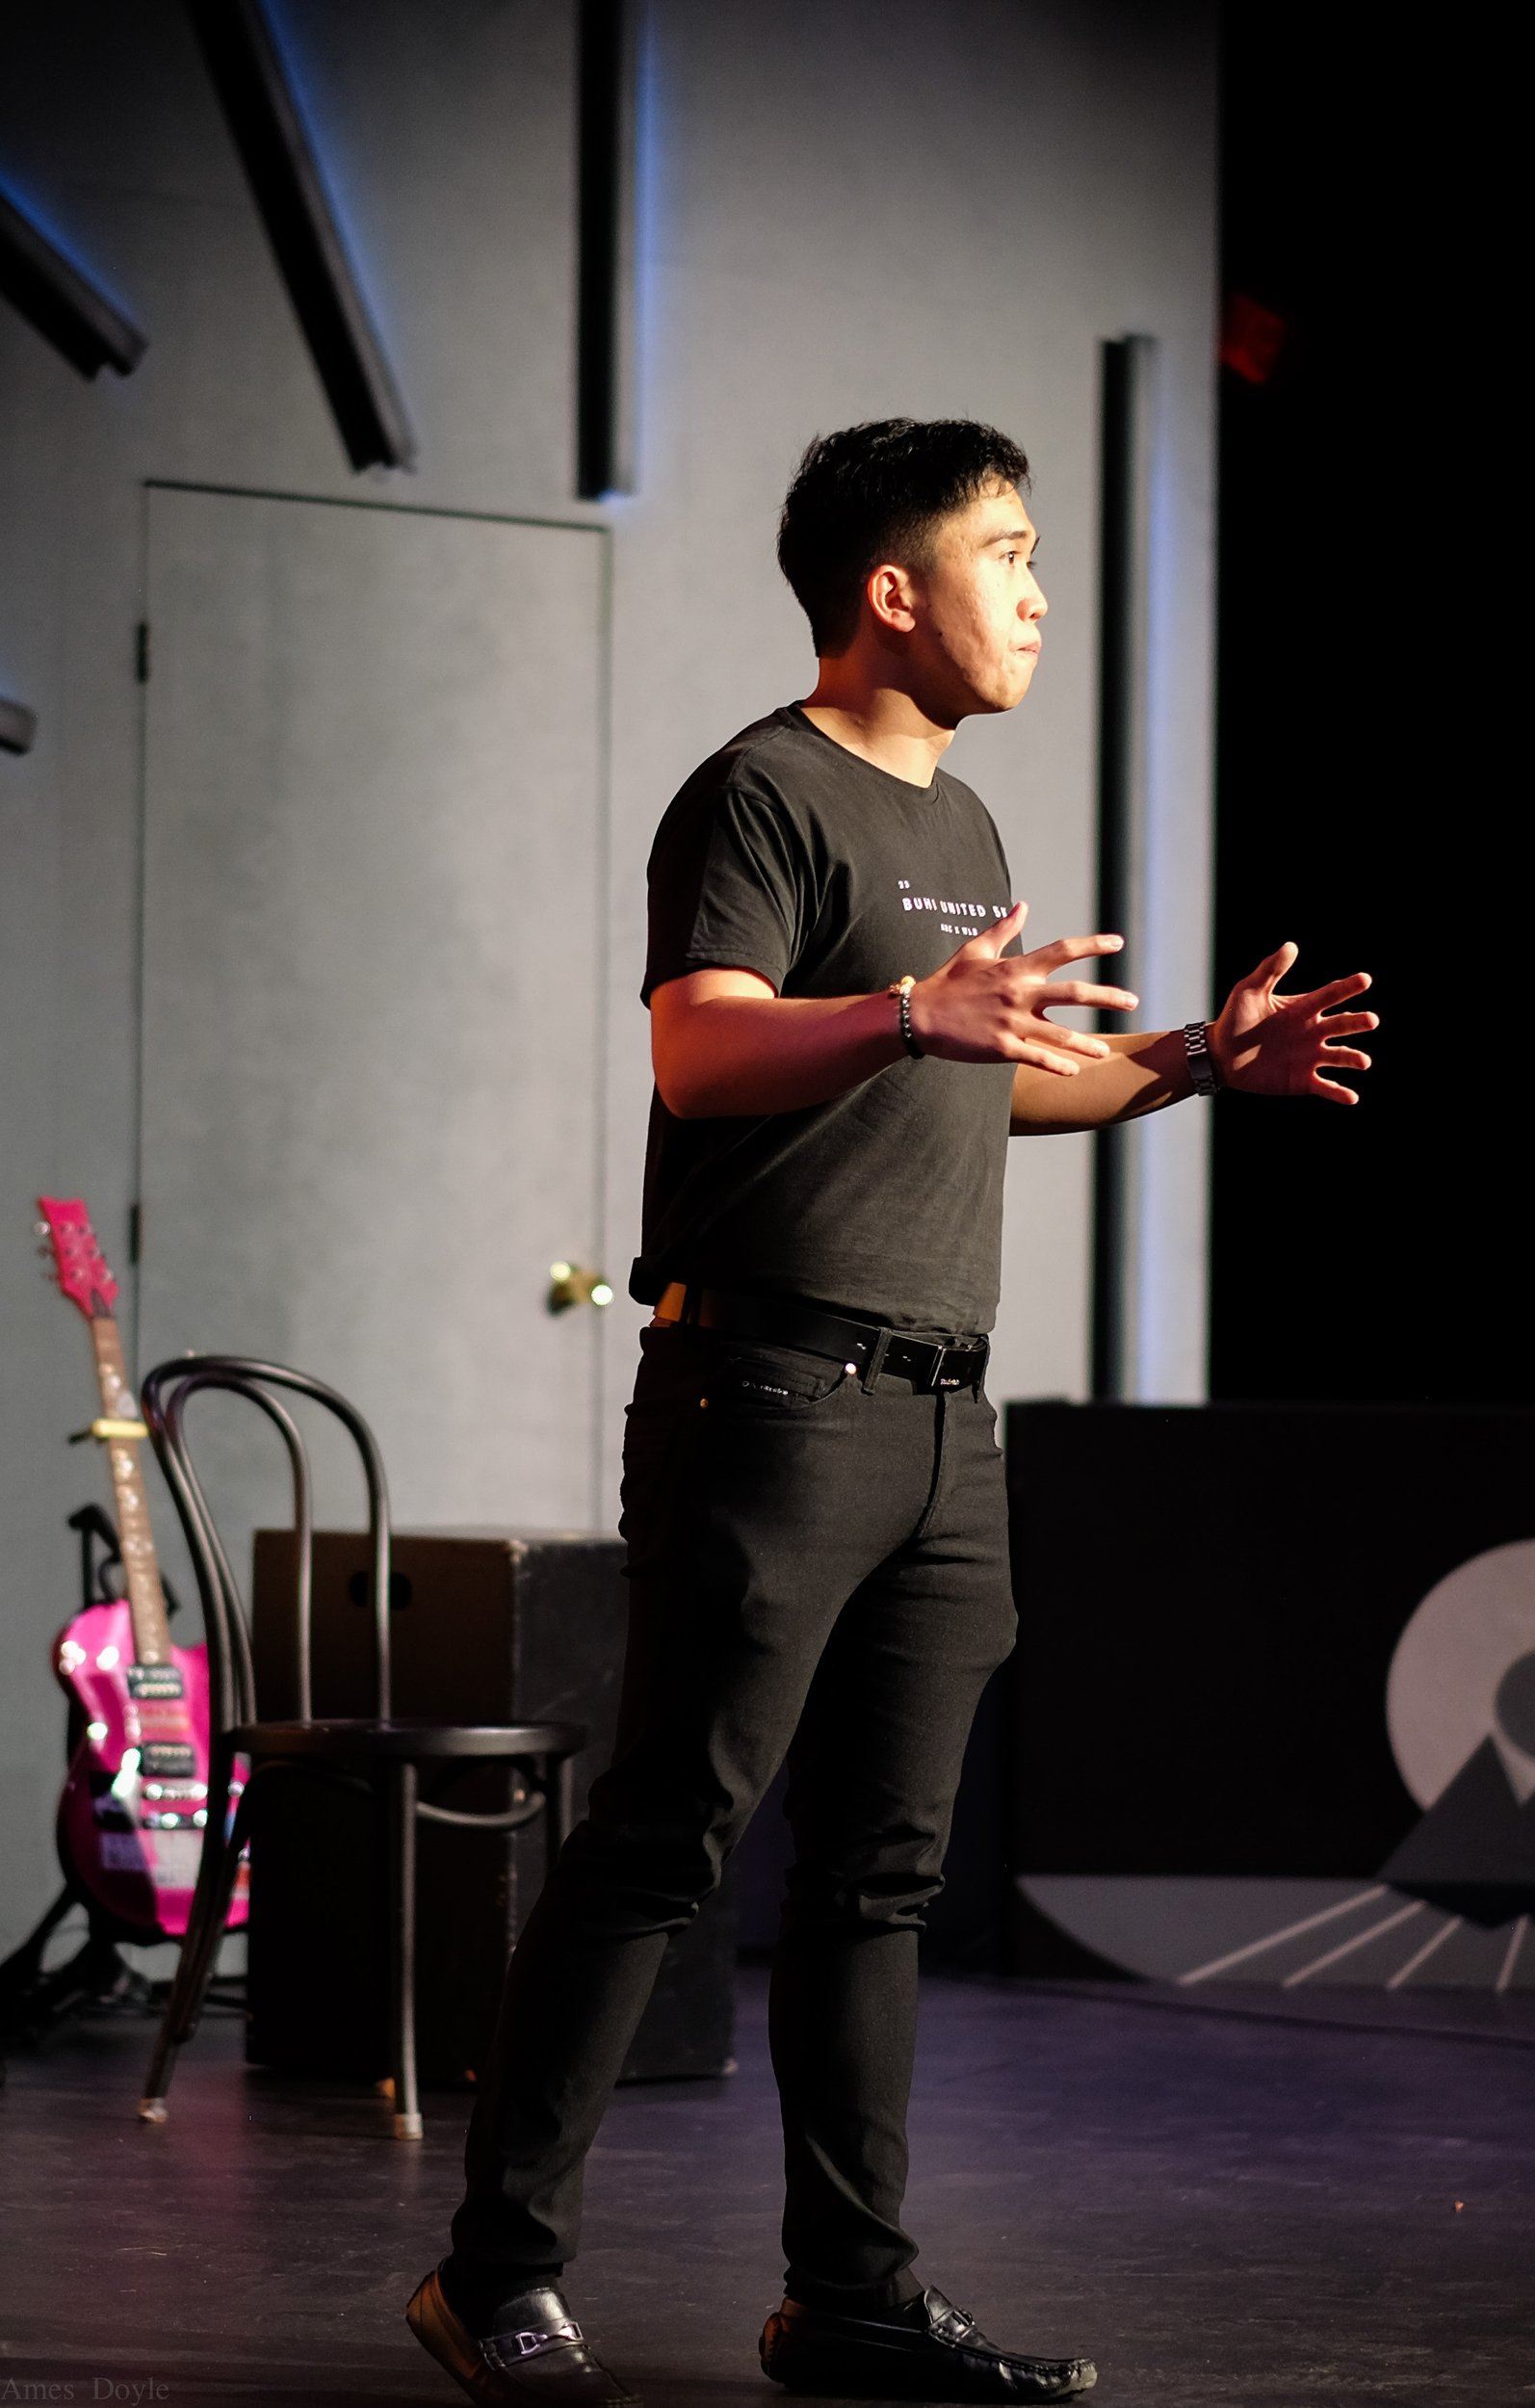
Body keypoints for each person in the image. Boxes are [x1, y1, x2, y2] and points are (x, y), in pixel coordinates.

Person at [405, 418, 1377, 2406]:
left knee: (880, 1873)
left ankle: (847, 2296)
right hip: (770, 1391)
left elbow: (993, 1079)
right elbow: (702, 1051)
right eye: (1006, 551)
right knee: (669, 1835)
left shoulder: (972, 832)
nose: (1036, 592)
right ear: (890, 590)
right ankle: (491, 2272)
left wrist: (1196, 1060)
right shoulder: (761, 791)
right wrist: (909, 1011)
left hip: (946, 1420)